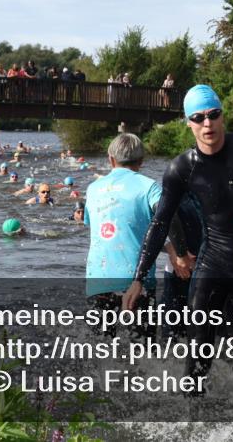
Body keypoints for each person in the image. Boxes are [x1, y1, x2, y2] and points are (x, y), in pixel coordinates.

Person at [125, 84, 233, 385]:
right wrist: (139, 277)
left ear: (222, 116)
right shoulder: (181, 168)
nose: (207, 123)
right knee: (196, 363)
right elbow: (160, 223)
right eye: (198, 118)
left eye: (213, 114)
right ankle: (193, 421)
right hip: (212, 268)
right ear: (189, 123)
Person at [83, 134, 190, 337]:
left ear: (110, 159)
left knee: (100, 349)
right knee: (143, 350)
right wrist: (179, 252)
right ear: (141, 161)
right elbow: (168, 219)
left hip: (99, 279)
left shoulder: (93, 189)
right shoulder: (149, 187)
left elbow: (115, 230)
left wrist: (168, 248)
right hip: (137, 281)